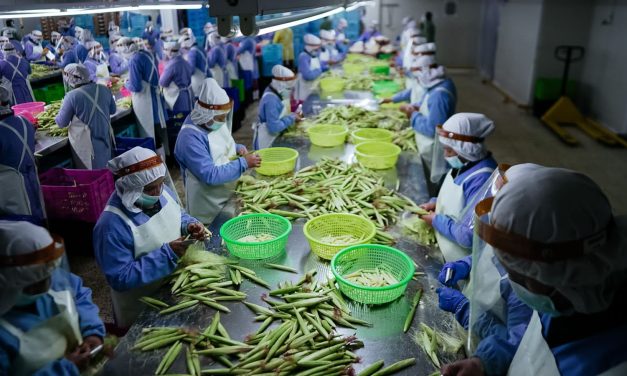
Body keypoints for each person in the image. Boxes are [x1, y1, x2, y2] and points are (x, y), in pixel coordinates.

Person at [442, 166, 627, 376]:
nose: (512, 282)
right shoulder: (567, 296)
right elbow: (525, 338)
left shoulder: (608, 365)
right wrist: (482, 363)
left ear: (554, 272)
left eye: (519, 276)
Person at [93, 147, 207, 328]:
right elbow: (120, 277)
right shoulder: (110, 226)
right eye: (150, 189)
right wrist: (167, 254)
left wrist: (190, 225)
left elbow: (179, 215)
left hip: (175, 287)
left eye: (160, 184)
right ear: (131, 187)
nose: (157, 192)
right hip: (141, 307)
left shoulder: (163, 193)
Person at [0, 220, 106, 375]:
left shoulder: (48, 275)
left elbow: (79, 296)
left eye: (49, 275)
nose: (48, 285)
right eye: (36, 283)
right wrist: (65, 369)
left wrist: (93, 332)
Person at [175, 78, 261, 224]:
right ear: (206, 113)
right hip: (206, 206)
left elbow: (222, 144)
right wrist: (243, 163)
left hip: (226, 192)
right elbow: (210, 175)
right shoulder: (189, 137)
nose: (222, 121)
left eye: (224, 117)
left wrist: (237, 147)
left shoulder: (211, 121)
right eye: (220, 118)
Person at [419, 113, 497, 260]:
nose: (445, 156)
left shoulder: (482, 179)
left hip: (456, 257)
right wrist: (435, 203)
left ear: (466, 149)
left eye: (449, 150)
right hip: (442, 243)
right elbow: (455, 196)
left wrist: (436, 220)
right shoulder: (465, 163)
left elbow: (467, 236)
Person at [400, 53, 456, 184]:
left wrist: (413, 115)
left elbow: (432, 129)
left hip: (432, 145)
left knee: (433, 179)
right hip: (431, 142)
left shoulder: (439, 96)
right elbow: (426, 101)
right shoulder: (442, 84)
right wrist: (415, 107)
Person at [55, 64, 116, 170]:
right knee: (107, 171)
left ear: (71, 78)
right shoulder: (104, 89)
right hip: (105, 140)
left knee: (94, 176)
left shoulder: (71, 97)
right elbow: (113, 110)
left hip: (88, 147)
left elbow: (61, 123)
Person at [0, 87, 45, 225]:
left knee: (22, 227)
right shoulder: (25, 122)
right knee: (38, 218)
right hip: (31, 180)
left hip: (11, 190)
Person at [120, 37, 168, 155]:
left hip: (147, 102)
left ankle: (159, 166)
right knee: (159, 133)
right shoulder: (146, 53)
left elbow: (136, 87)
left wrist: (126, 83)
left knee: (152, 135)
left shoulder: (134, 60)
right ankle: (165, 162)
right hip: (155, 98)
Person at [254, 65, 301, 149]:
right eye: (288, 88)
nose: (289, 91)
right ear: (280, 84)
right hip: (267, 140)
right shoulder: (271, 100)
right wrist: (292, 117)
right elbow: (274, 127)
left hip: (273, 137)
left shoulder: (275, 91)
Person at [159, 41, 194, 117]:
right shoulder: (184, 61)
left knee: (179, 121)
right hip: (186, 96)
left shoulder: (172, 65)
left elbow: (162, 82)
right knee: (186, 119)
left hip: (178, 98)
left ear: (169, 51)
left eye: (165, 50)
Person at [295, 34, 324, 101]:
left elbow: (319, 64)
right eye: (316, 49)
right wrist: (319, 70)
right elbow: (308, 75)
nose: (318, 51)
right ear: (310, 47)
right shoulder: (303, 57)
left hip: (312, 88)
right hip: (305, 90)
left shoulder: (313, 55)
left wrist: (324, 66)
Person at [180, 33, 210, 98]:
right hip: (207, 78)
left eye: (184, 48)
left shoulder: (192, 52)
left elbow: (191, 70)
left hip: (198, 81)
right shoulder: (200, 48)